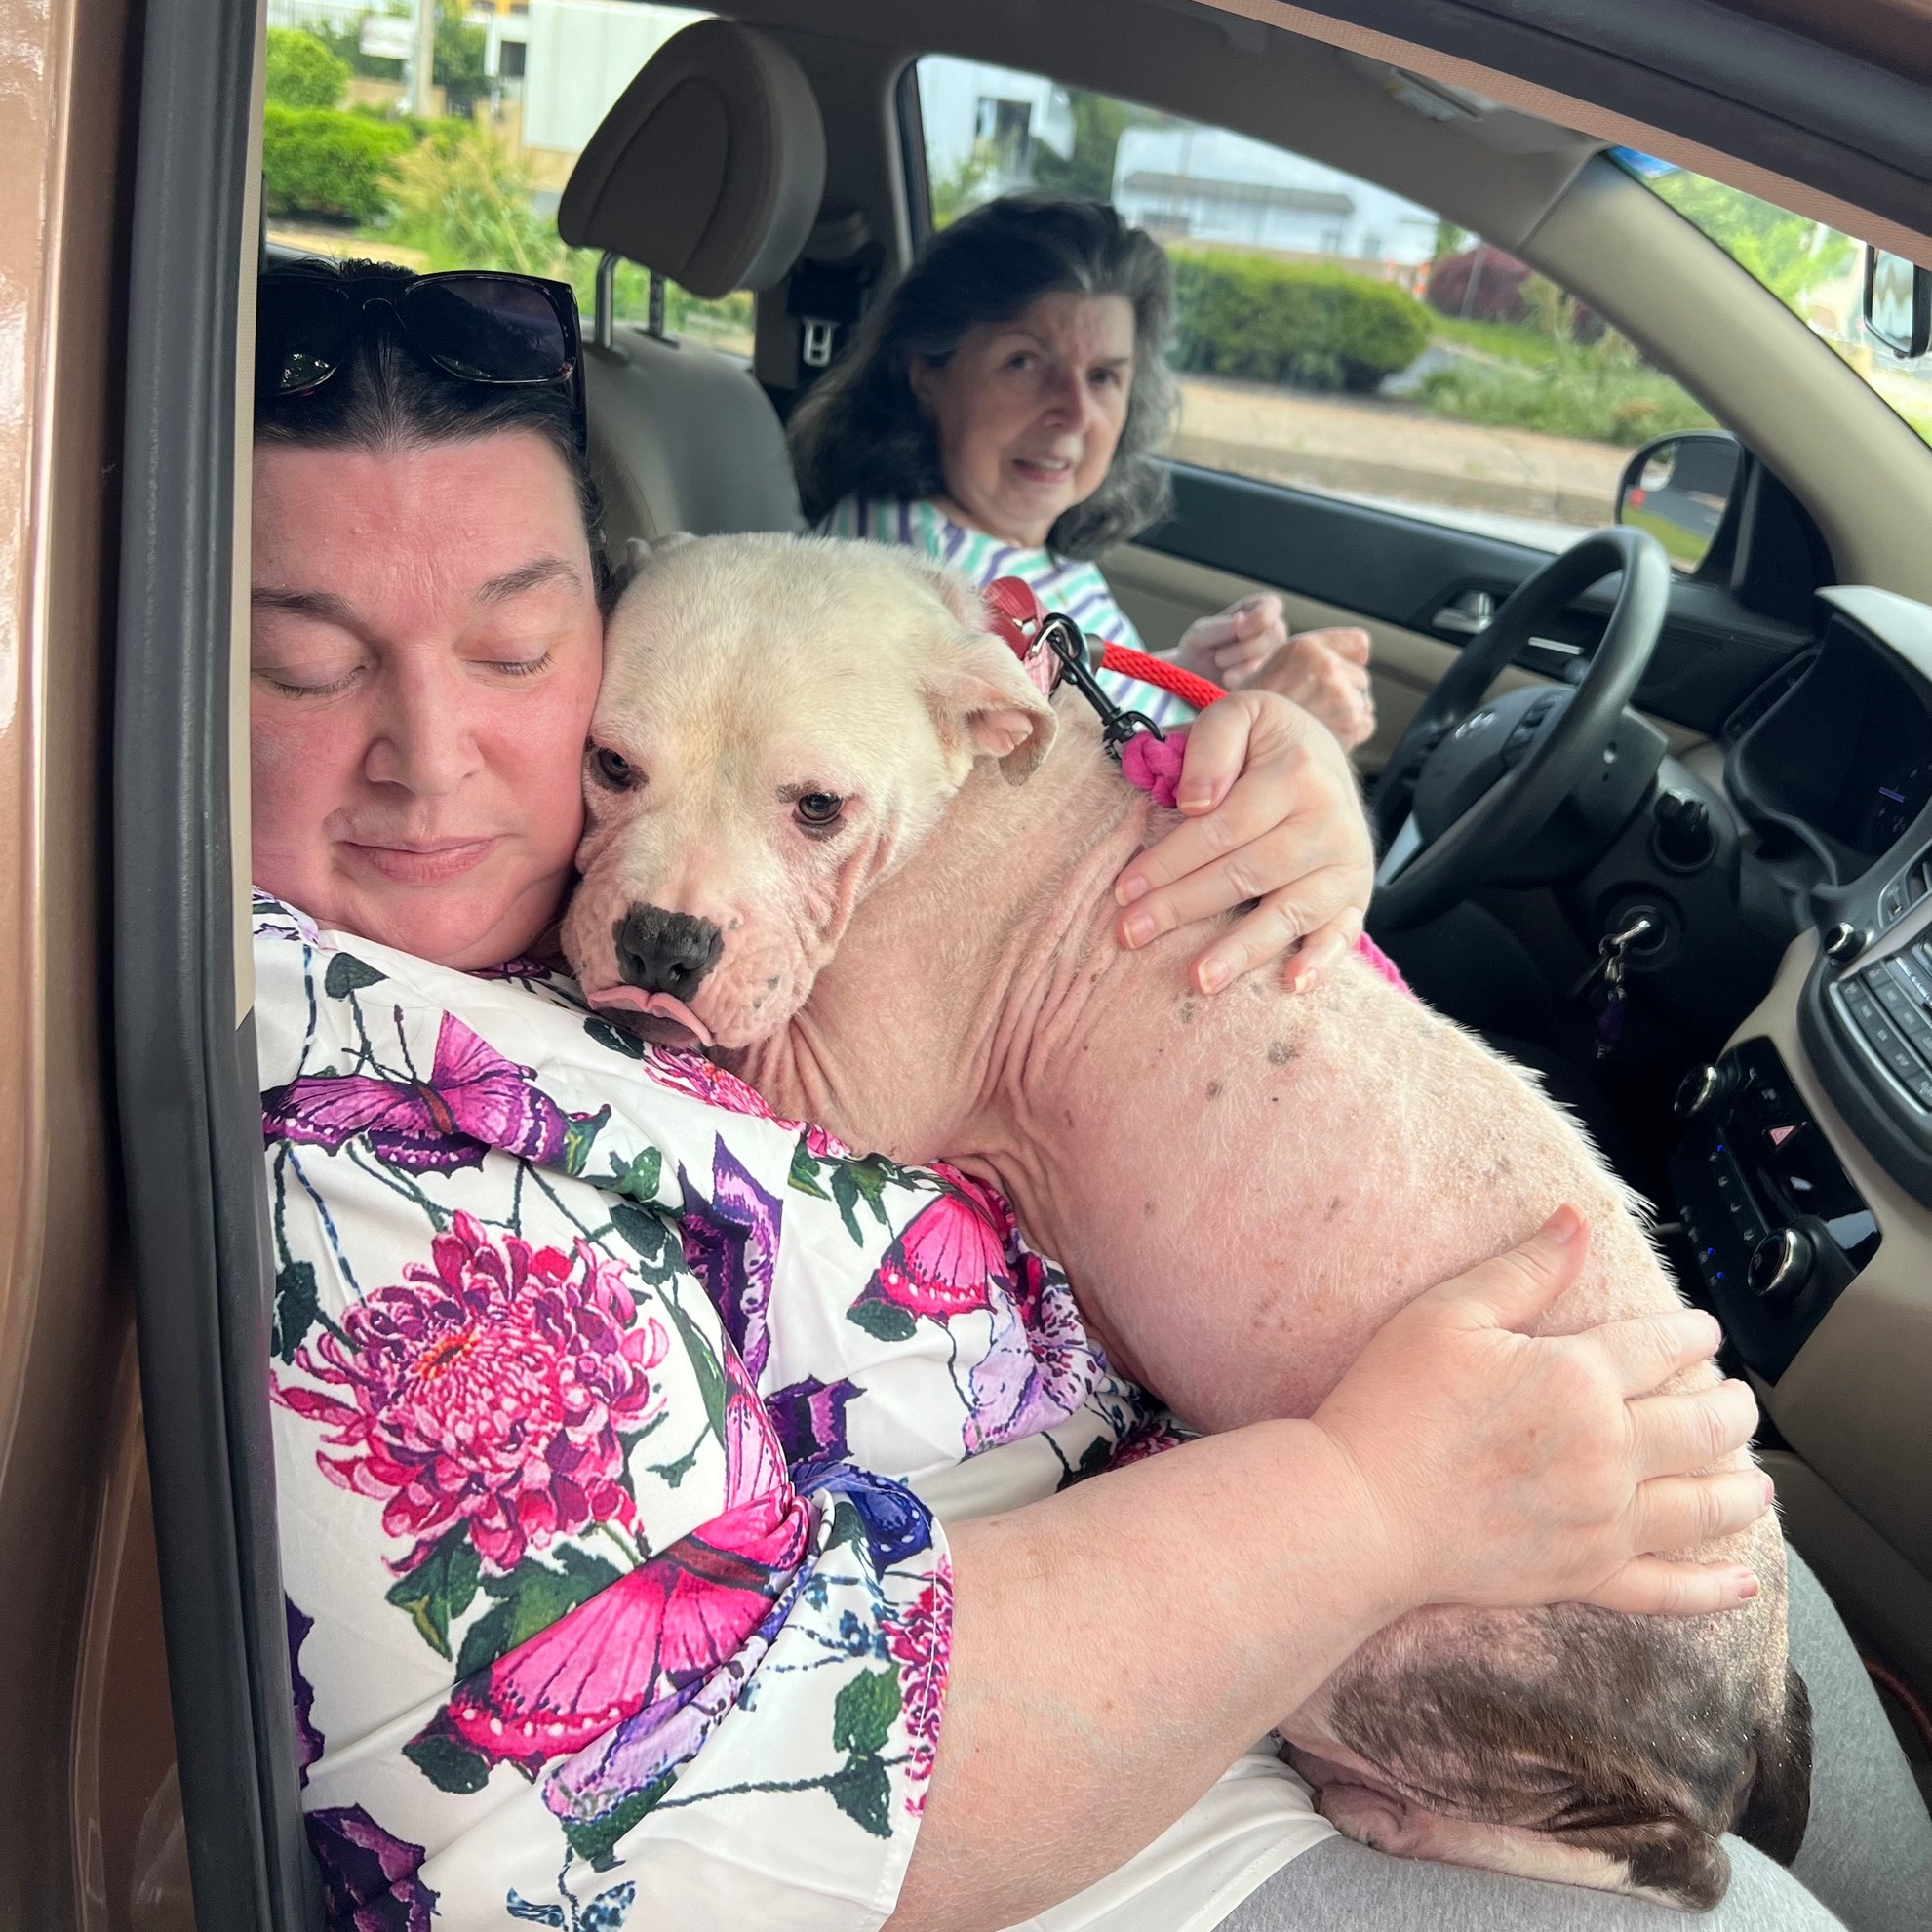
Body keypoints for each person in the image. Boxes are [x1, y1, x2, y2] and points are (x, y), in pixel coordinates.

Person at [249, 258, 1930, 1932]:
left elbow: (975, 820)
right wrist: (1377, 1497)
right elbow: (695, 1804)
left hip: (1339, 1433)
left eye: (519, 651)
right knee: (1757, 1901)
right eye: (304, 663)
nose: (436, 755)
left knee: (1791, 1671)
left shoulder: (682, 793)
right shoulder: (336, 1127)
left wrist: (1247, 774)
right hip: (1125, 1736)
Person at [789, 193, 1377, 753]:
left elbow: (1078, 719)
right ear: (925, 374)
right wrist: (1263, 720)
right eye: (1023, 362)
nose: (1074, 413)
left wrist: (1180, 674)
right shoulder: (909, 573)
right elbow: (1014, 825)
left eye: (1103, 377)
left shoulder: (1010, 539)